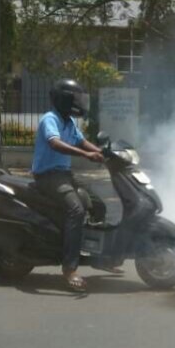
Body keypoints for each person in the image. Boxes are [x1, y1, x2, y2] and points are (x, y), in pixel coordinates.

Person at [32, 78, 104, 292]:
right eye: (75, 99)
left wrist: (102, 153)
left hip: (64, 174)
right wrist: (86, 155)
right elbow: (54, 143)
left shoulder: (69, 121)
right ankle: (69, 269)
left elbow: (81, 141)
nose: (79, 103)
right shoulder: (50, 119)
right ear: (64, 100)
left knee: (97, 204)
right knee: (76, 209)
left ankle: (98, 254)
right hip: (47, 176)